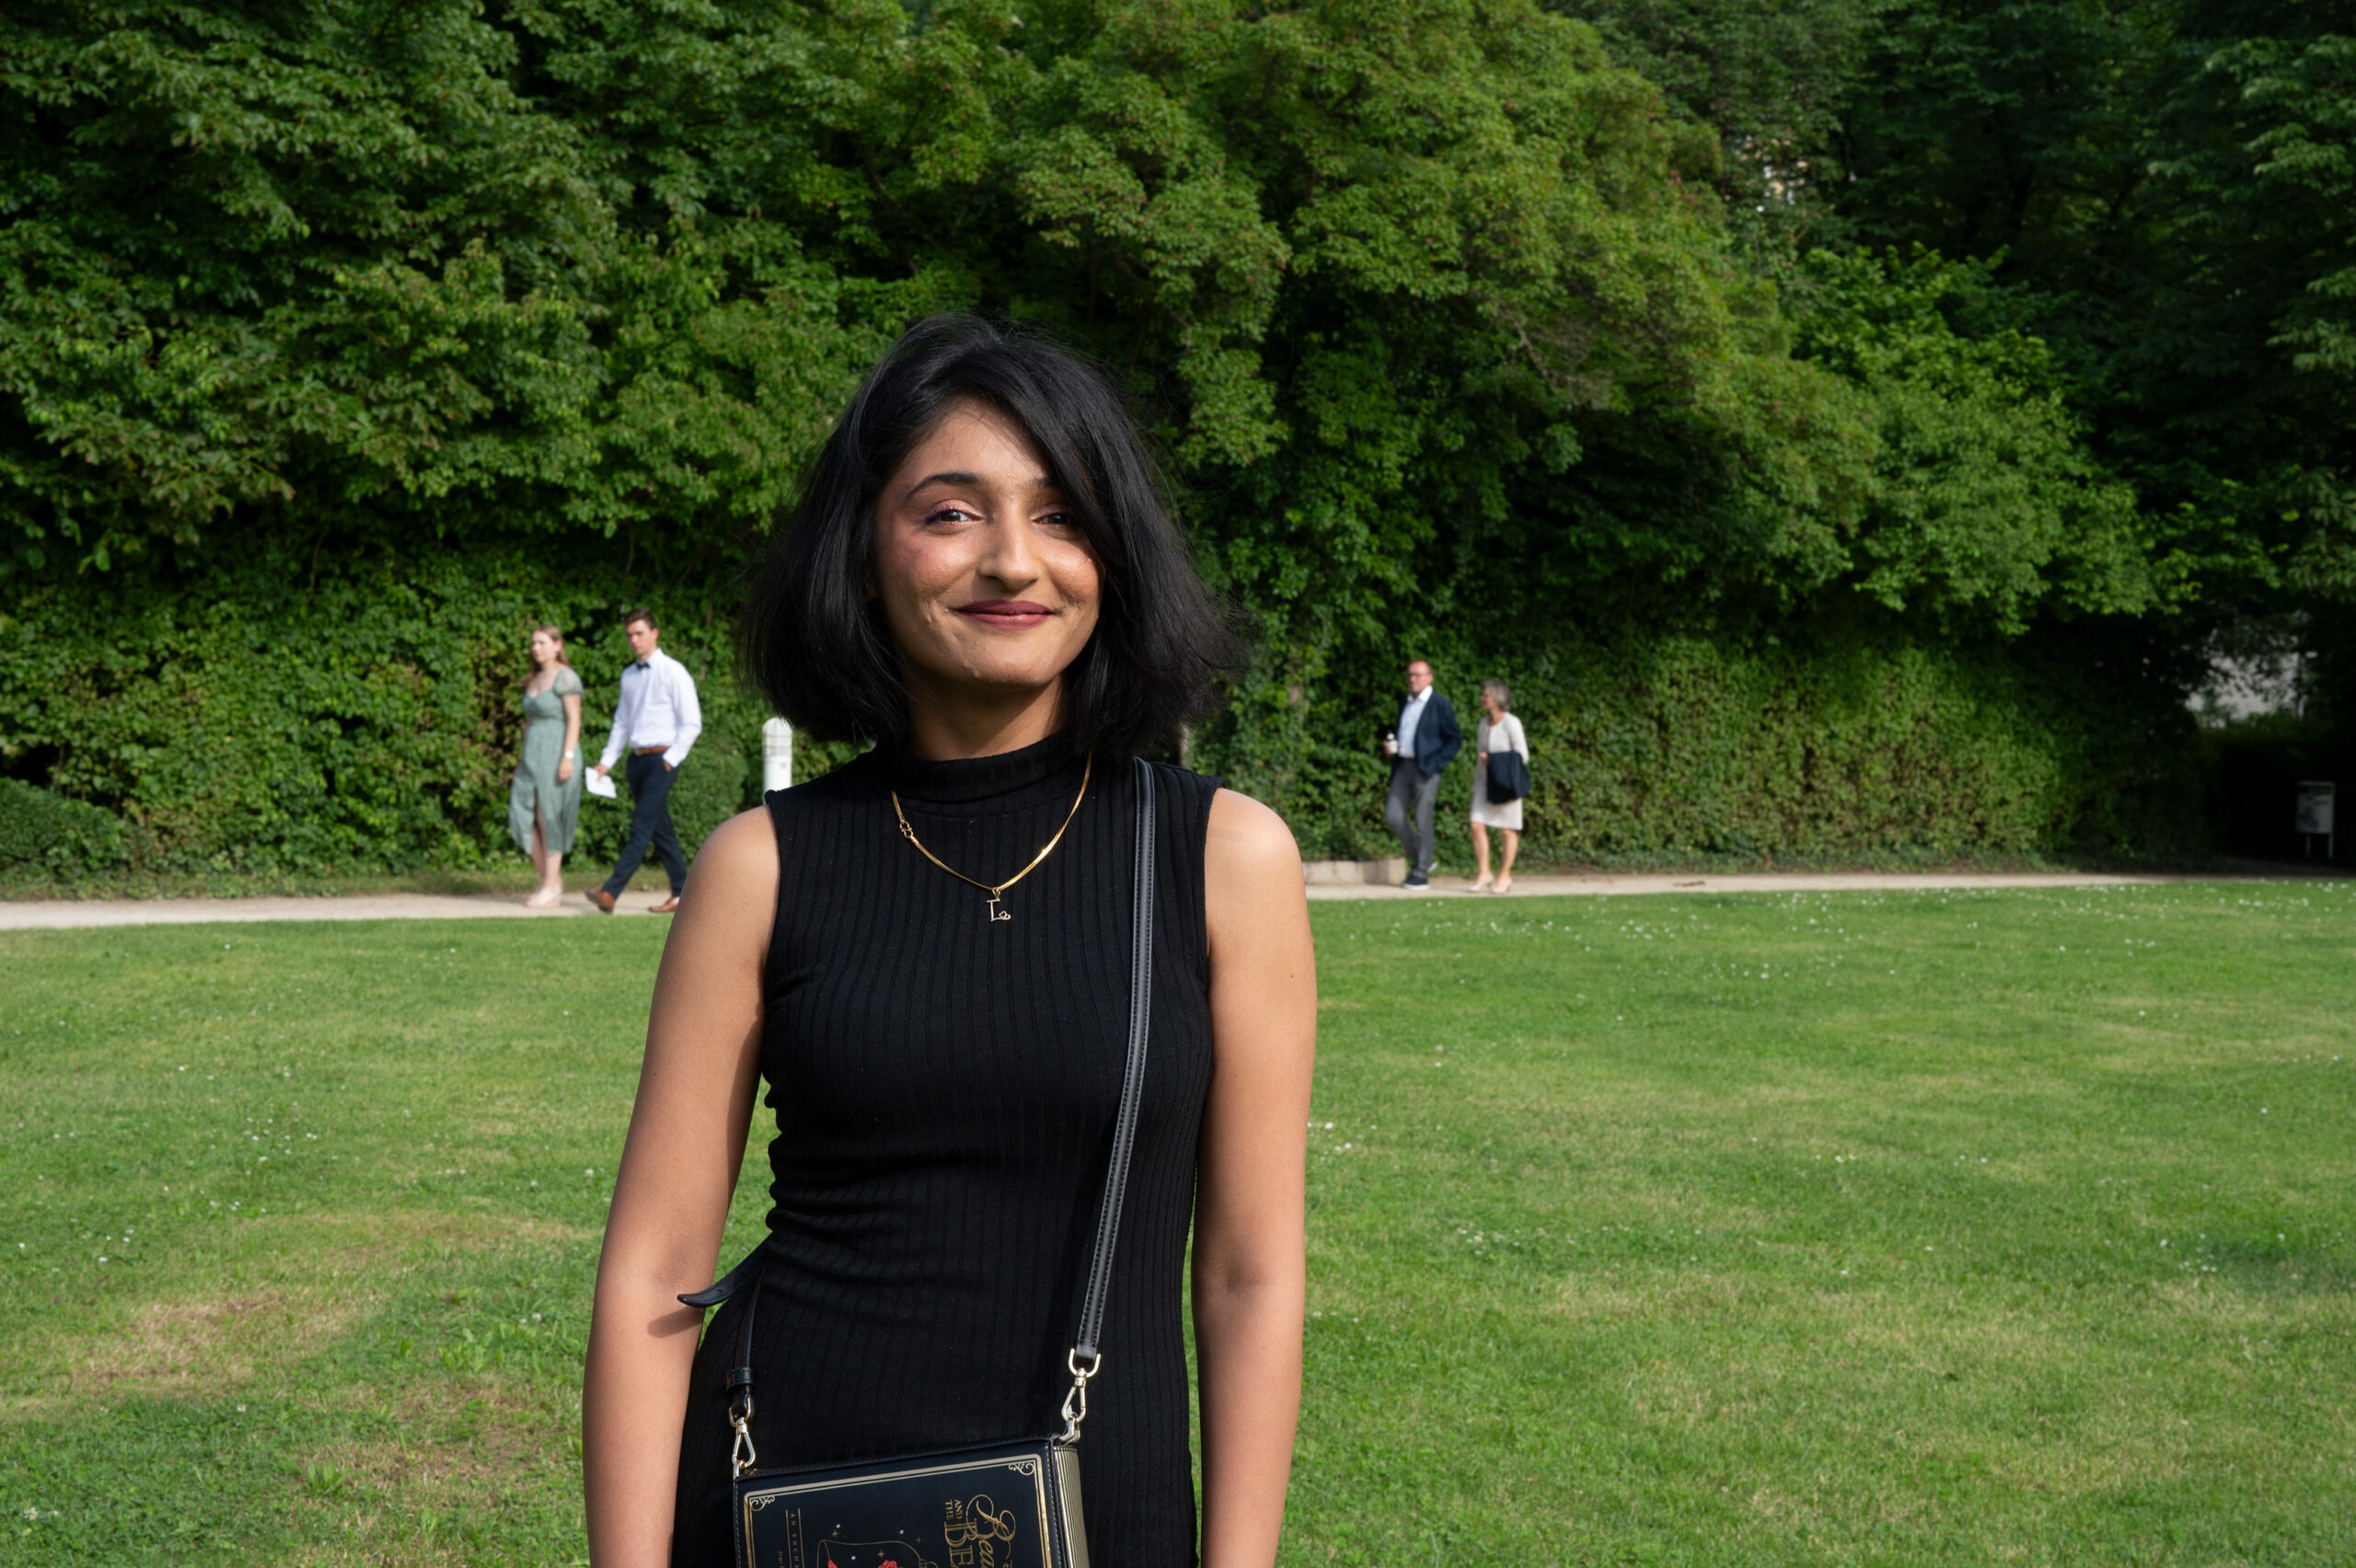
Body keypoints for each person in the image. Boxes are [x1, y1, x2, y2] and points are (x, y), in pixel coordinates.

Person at [581, 316, 1315, 1568]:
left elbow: (1250, 1275)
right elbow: (653, 1270)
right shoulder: (760, 867)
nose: (1015, 562)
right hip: (789, 1509)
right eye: (951, 513)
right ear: (864, 552)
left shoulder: (1222, 858)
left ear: (1115, 556)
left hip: (1109, 1522)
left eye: (1064, 515)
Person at [587, 609, 701, 915]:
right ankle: (682, 891)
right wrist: (605, 763)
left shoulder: (673, 672)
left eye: (639, 633)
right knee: (660, 830)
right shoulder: (629, 676)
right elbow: (621, 723)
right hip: (636, 763)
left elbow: (692, 723)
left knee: (640, 828)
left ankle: (610, 892)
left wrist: (671, 759)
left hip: (661, 761)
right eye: (629, 635)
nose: (634, 640)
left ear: (655, 633)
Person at [508, 623, 585, 907]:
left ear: (557, 645)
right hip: (532, 755)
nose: (536, 648)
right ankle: (550, 880)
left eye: (542, 642)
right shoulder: (535, 678)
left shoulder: (566, 677)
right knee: (521, 815)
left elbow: (574, 719)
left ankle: (549, 886)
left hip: (557, 753)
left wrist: (567, 758)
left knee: (547, 816)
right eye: (533, 644)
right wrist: (520, 760)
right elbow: (529, 724)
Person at [1380, 658, 1461, 888]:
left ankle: (1421, 872)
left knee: (1423, 818)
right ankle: (1422, 859)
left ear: (1429, 677)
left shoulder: (1440, 705)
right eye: (1410, 675)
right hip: (1403, 765)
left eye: (1418, 674)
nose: (1413, 679)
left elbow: (1454, 739)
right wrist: (1392, 747)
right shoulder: (1404, 702)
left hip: (1426, 769)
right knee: (1393, 815)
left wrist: (1437, 764)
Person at [1468, 678, 1529, 894]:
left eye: (1486, 695)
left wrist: (1494, 760)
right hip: (1485, 782)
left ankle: (1505, 875)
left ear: (1498, 698)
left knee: (1507, 831)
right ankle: (1484, 872)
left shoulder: (1512, 723)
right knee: (1476, 824)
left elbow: (1522, 755)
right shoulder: (1483, 723)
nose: (1482, 698)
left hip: (1506, 783)